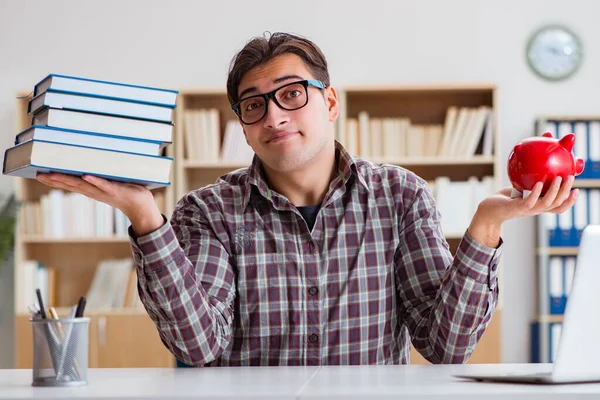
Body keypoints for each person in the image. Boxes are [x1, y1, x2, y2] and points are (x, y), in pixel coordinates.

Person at [36, 32, 578, 367]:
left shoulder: (401, 196)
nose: (274, 115)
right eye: (253, 105)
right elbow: (197, 346)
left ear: (331, 100)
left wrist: (485, 226)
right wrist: (144, 216)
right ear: (243, 128)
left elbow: (445, 346)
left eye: (291, 94)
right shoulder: (206, 212)